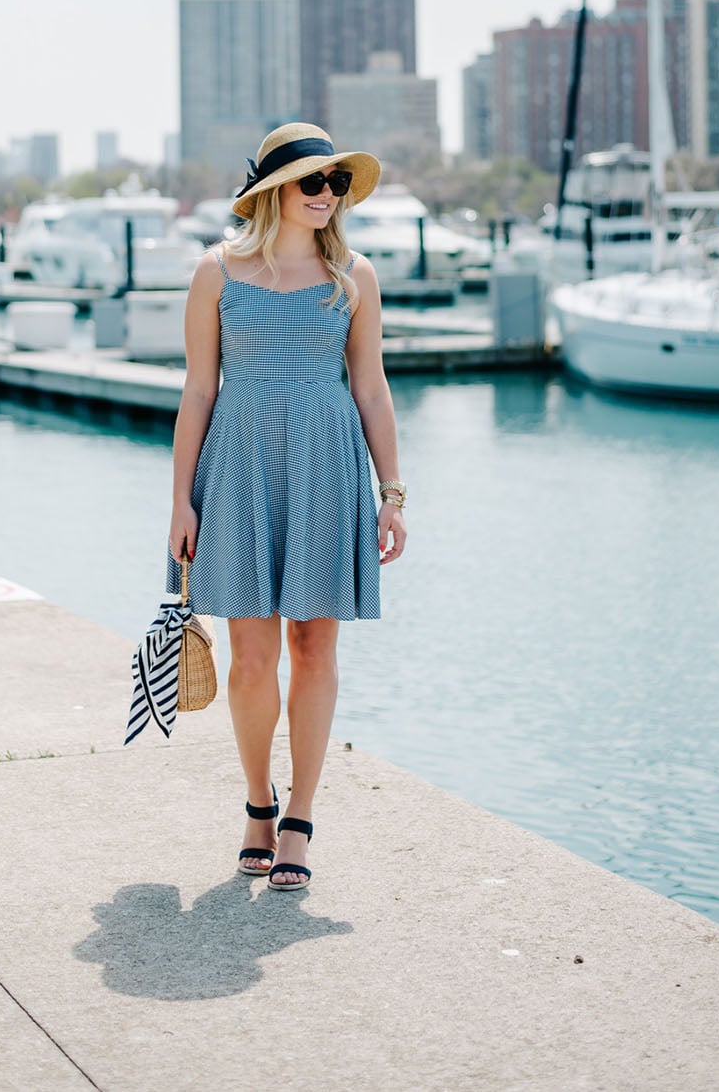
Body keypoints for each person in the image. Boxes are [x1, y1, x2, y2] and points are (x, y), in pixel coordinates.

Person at [168, 122, 407, 889]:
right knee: (251, 658)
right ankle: (257, 806)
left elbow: (370, 387)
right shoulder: (216, 271)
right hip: (238, 465)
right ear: (274, 192)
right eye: (314, 182)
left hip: (326, 465)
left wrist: (392, 493)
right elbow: (199, 390)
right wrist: (180, 501)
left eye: (336, 183)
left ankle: (301, 816)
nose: (328, 195)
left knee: (313, 646)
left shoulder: (354, 276)